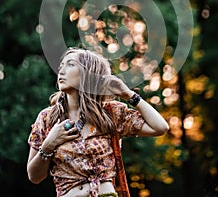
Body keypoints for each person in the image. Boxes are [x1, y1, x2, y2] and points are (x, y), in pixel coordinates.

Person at [27, 47, 169, 197]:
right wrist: (49, 144)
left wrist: (129, 94)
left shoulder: (110, 114)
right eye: (61, 66)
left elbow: (160, 127)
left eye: (70, 64)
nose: (61, 71)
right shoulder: (47, 118)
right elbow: (34, 177)